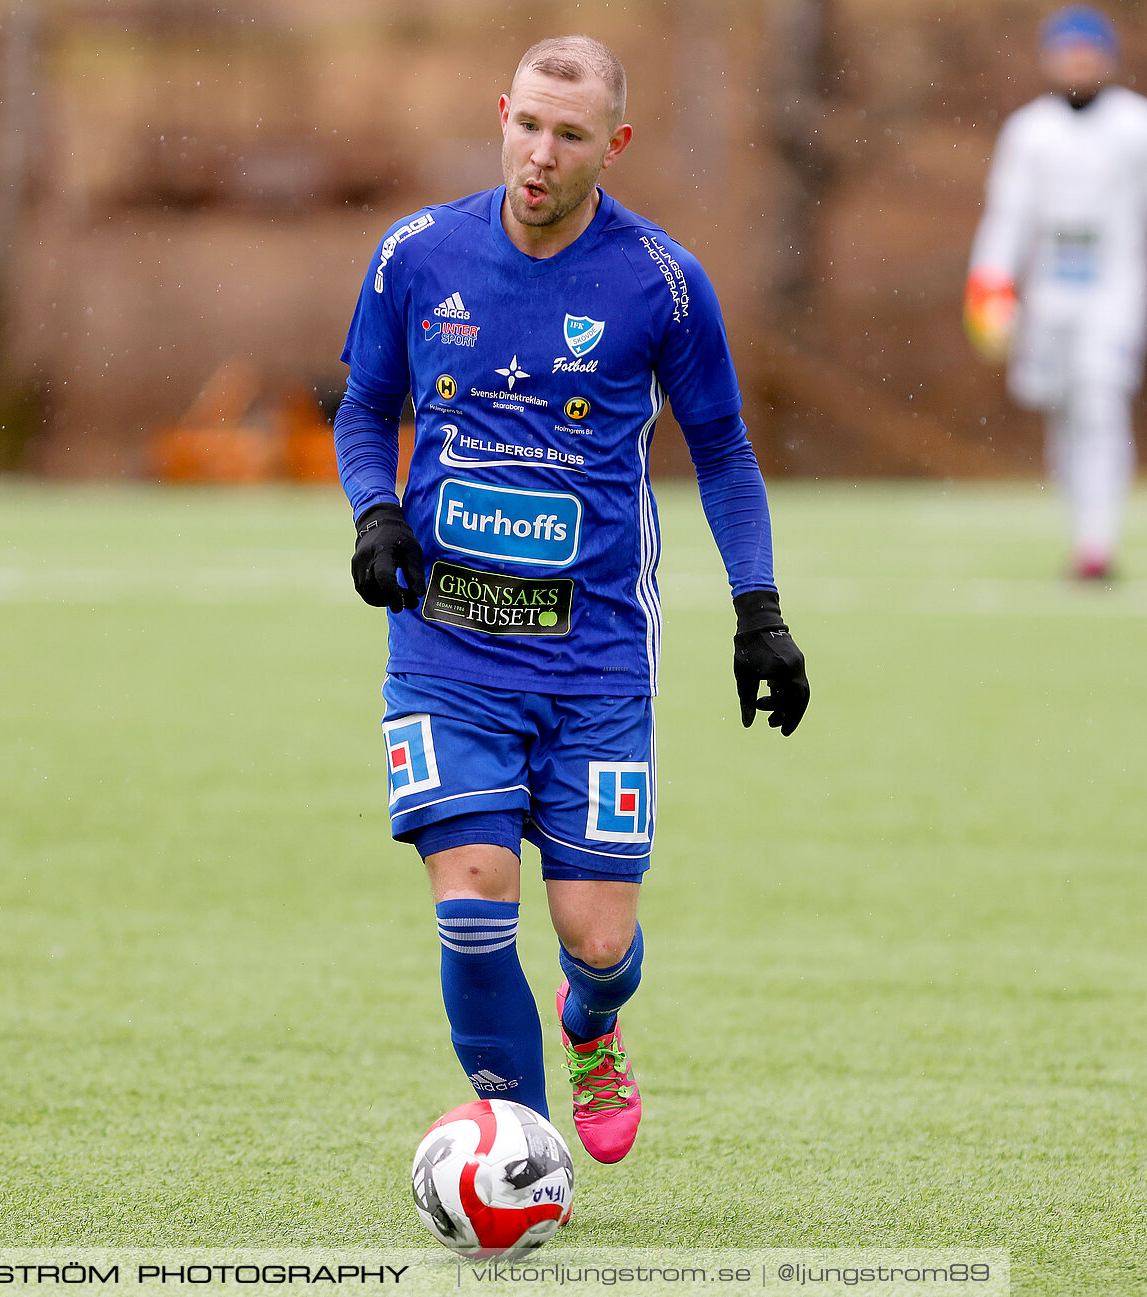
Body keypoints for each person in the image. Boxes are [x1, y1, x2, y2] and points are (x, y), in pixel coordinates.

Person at [332, 35, 809, 1170]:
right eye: (528, 126)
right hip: (446, 647)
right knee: (473, 901)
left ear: (615, 145)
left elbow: (726, 452)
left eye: (571, 135)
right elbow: (363, 409)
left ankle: (592, 1024)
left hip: (594, 658)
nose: (540, 155)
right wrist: (375, 511)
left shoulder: (662, 283)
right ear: (503, 114)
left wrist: (760, 608)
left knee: (597, 941)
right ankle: (521, 1145)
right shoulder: (415, 256)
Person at [965, 4, 1147, 581]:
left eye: (1089, 51)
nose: (1078, 62)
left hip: (1116, 287)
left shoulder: (1143, 125)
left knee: (1101, 401)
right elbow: (1007, 218)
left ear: (1108, 57)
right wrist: (989, 285)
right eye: (1067, 51)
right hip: (1050, 290)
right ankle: (1080, 526)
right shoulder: (1028, 131)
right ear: (1049, 59)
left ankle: (1097, 545)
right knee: (1060, 408)